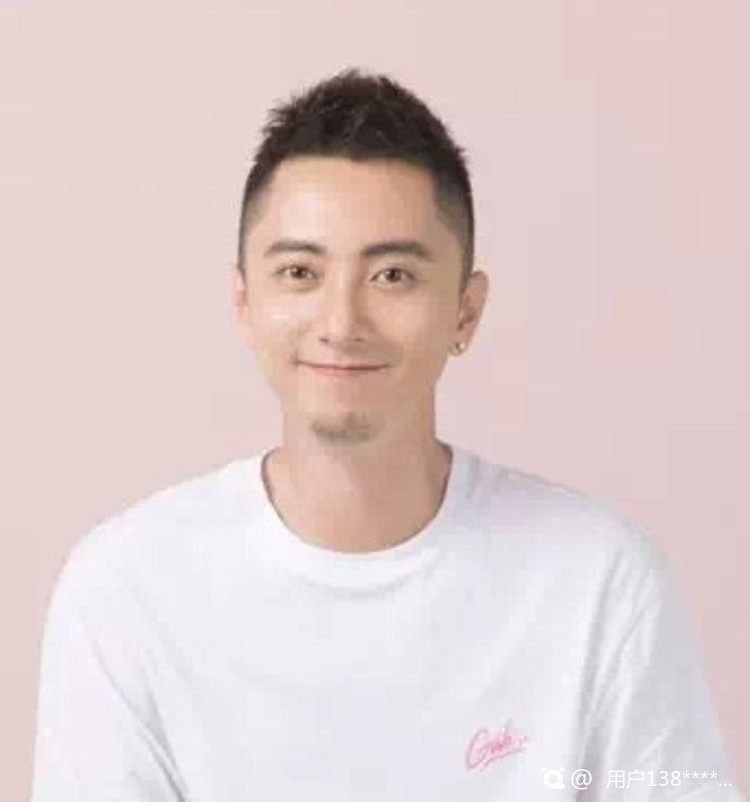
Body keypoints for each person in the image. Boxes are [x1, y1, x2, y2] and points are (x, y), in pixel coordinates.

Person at [31, 68, 745, 801]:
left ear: (465, 312)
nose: (341, 323)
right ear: (244, 302)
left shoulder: (600, 583)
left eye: (393, 275)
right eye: (300, 271)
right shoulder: (126, 589)